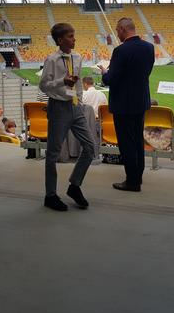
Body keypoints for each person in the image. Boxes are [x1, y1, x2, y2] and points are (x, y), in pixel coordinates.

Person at [39, 22, 94, 211]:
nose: (74, 39)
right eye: (70, 36)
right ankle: (50, 195)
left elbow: (77, 82)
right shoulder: (52, 59)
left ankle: (74, 185)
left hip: (75, 107)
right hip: (58, 108)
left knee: (90, 147)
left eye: (74, 35)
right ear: (60, 40)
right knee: (53, 154)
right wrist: (62, 81)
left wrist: (79, 98)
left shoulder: (77, 57)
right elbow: (44, 86)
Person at [99, 18, 154, 192]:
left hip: (124, 104)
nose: (117, 33)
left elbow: (111, 80)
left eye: (117, 30)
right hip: (141, 101)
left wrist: (104, 72)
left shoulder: (120, 51)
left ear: (123, 29)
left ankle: (132, 182)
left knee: (126, 143)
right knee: (137, 140)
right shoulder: (149, 47)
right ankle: (138, 176)